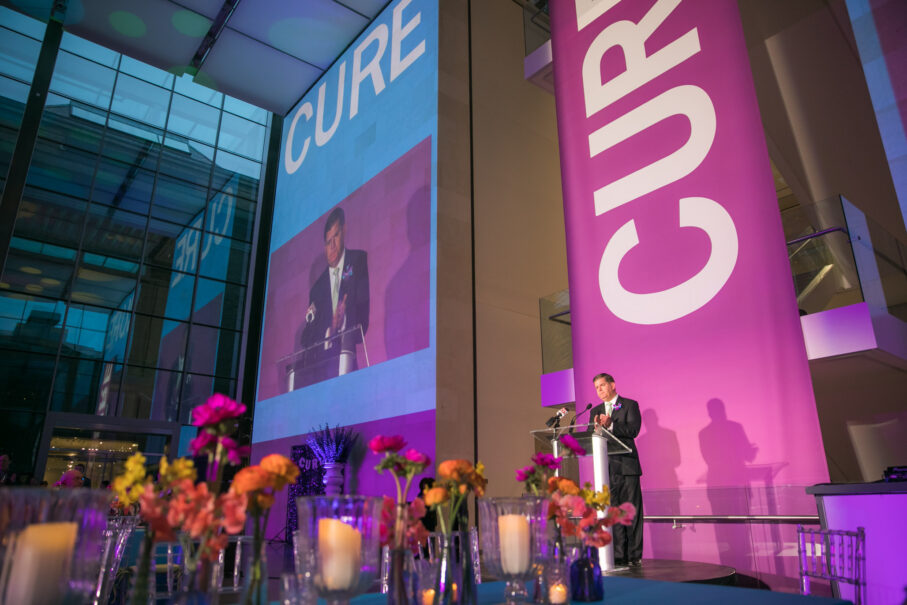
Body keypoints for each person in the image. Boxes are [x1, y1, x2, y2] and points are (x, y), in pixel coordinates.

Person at [299, 207, 370, 385]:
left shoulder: (358, 260)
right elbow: (307, 339)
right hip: (321, 374)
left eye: (336, 236)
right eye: (328, 241)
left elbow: (363, 318)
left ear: (344, 231)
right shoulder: (316, 289)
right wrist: (331, 327)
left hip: (348, 366)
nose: (332, 246)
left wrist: (344, 320)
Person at [588, 372, 643, 567]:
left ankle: (634, 555)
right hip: (607, 468)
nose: (599, 390)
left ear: (612, 385)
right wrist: (596, 429)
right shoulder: (595, 410)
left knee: (631, 512)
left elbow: (633, 430)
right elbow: (590, 437)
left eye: (602, 385)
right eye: (596, 388)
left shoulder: (629, 405)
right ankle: (618, 555)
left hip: (627, 466)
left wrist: (611, 425)